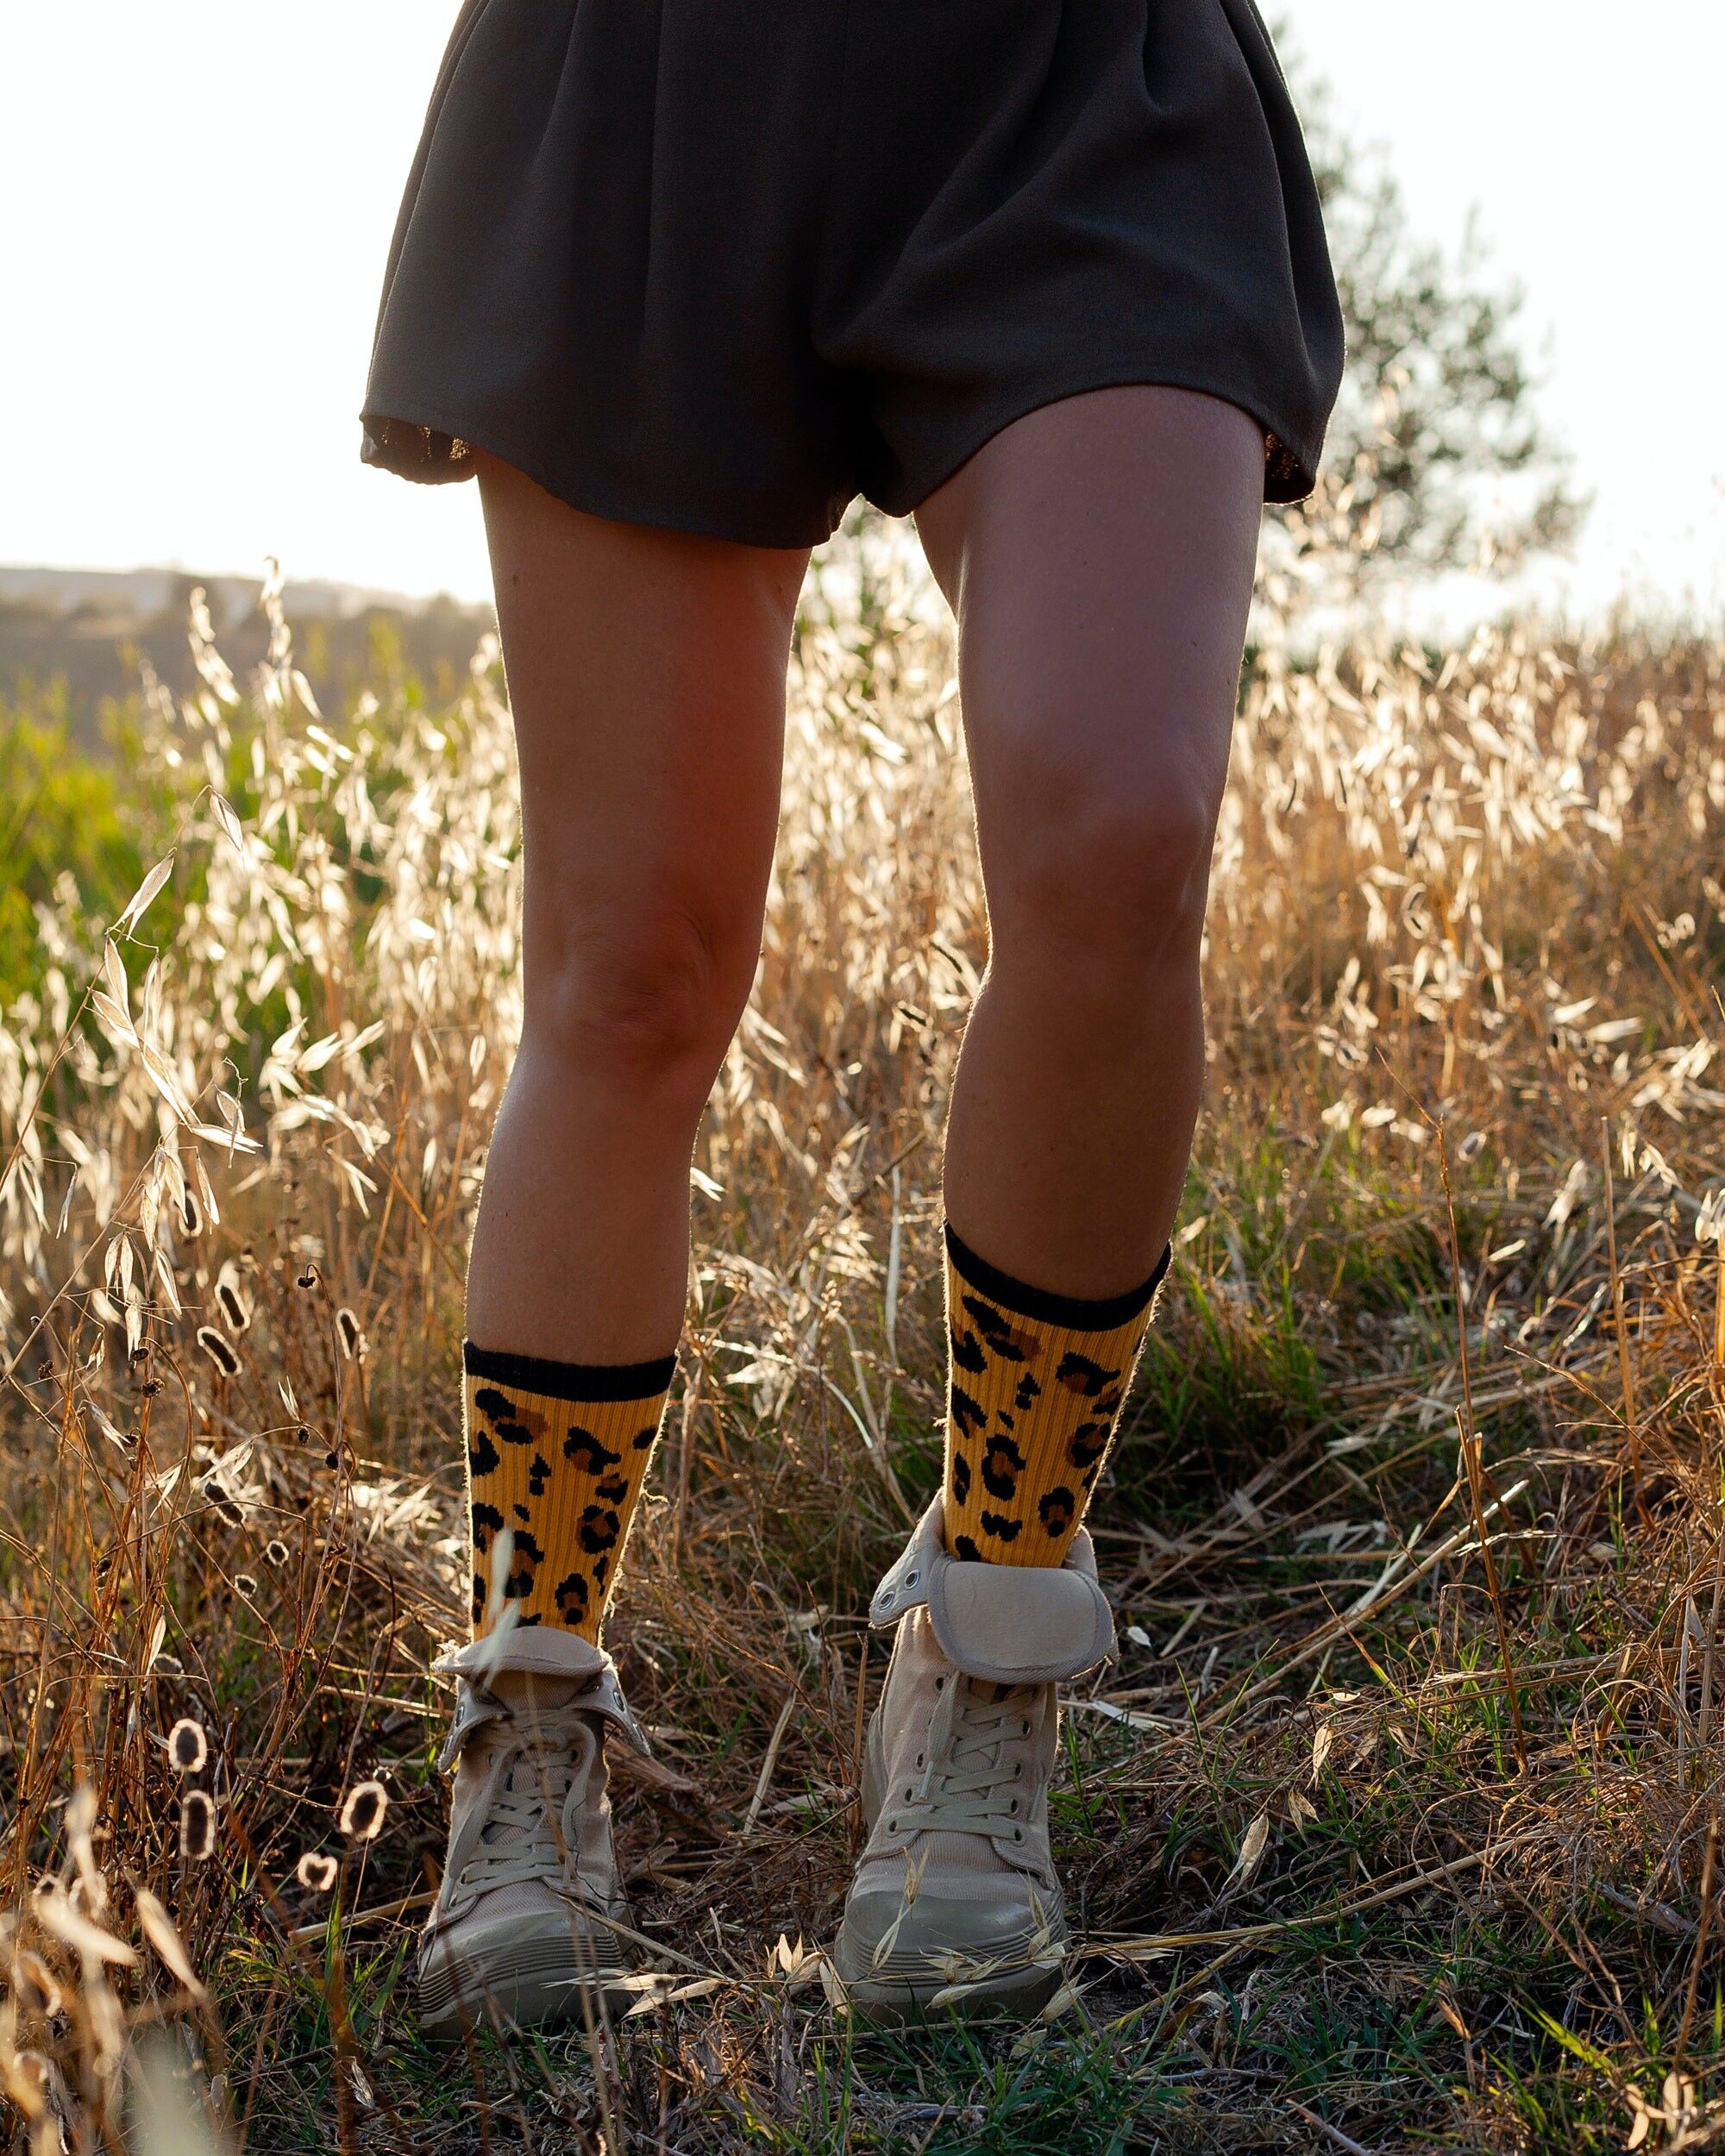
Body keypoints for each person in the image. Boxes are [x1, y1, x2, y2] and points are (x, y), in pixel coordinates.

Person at [360, 0, 1343, 2031]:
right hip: (650, 77)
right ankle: (530, 1705)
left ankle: (986, 1641)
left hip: (1070, 80)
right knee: (633, 966)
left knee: (1118, 834)